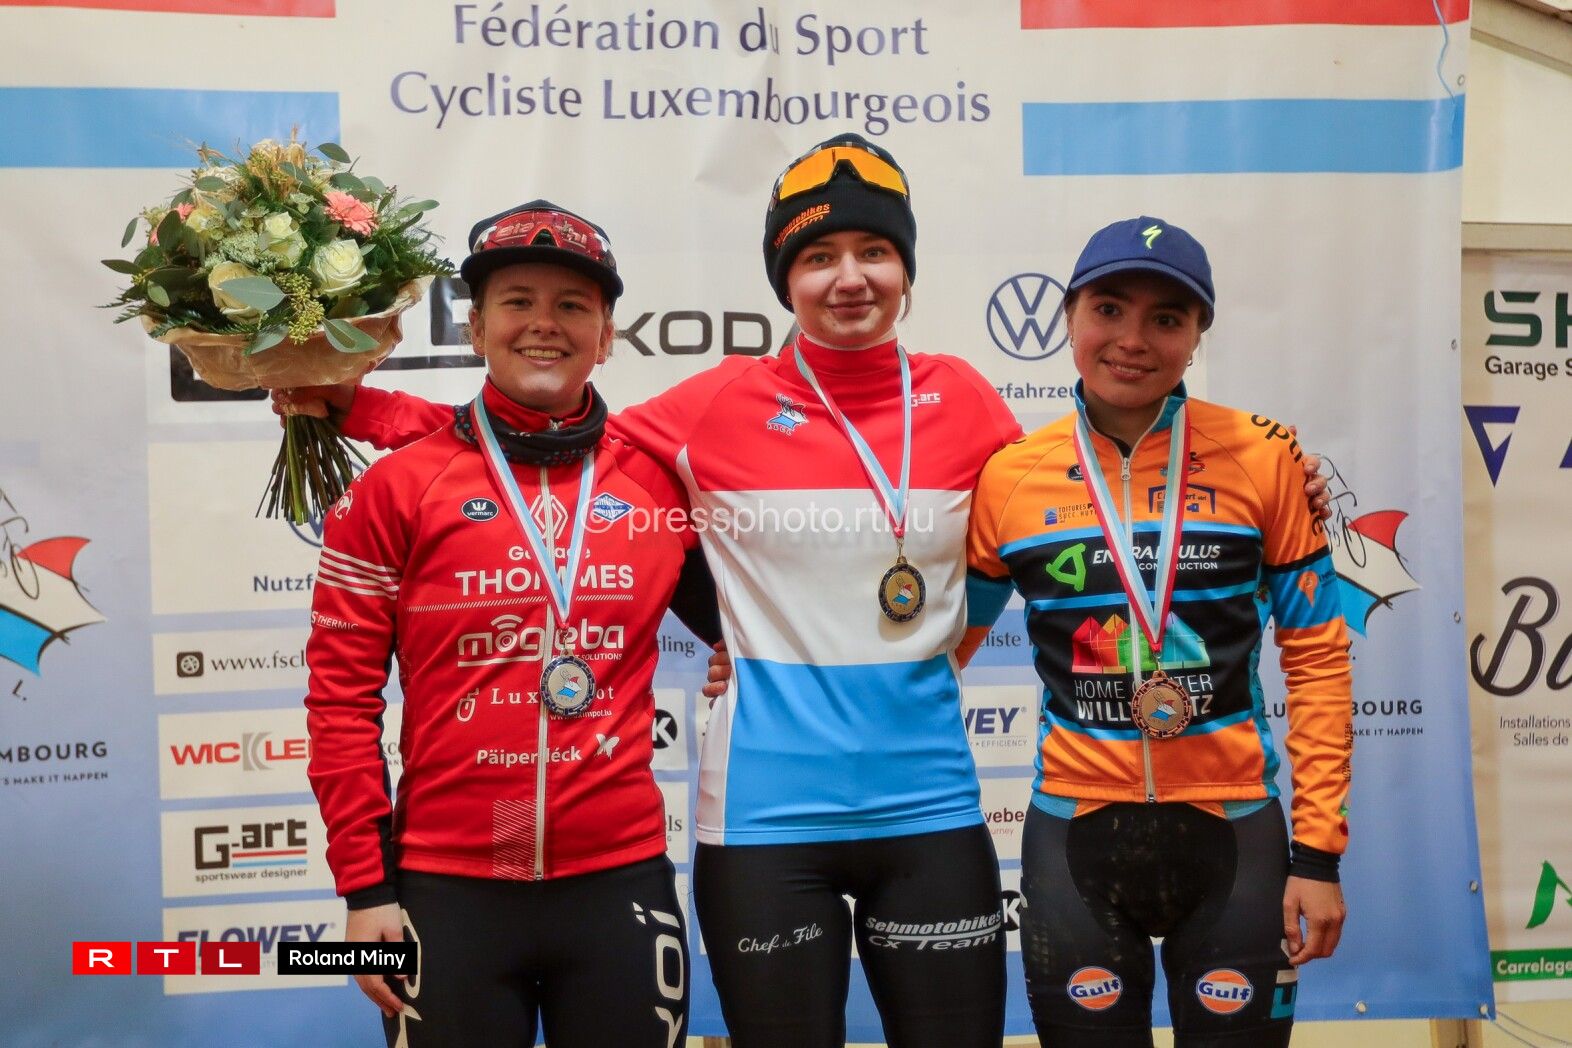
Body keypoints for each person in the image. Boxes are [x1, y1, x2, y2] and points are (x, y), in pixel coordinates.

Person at [284, 143, 1335, 1048]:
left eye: (874, 250)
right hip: (760, 819)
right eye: (819, 255)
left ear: (907, 269)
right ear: (785, 277)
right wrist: (355, 406)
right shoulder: (712, 406)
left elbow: (1079, 490)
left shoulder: (970, 402)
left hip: (928, 809)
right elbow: (538, 429)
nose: (849, 277)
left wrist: (1284, 471)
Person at [301, 200, 719, 1048]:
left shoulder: (656, 483)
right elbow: (339, 704)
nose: (543, 324)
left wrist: (738, 653)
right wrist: (364, 893)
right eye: (517, 301)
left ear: (607, 335)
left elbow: (758, 612)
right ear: (475, 326)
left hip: (620, 883)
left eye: (572, 305)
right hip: (440, 889)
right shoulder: (395, 489)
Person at [960, 216, 1353, 1048]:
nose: (1133, 340)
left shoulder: (1265, 457)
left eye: (1166, 318)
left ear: (1197, 334)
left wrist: (1318, 856)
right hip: (1074, 837)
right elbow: (936, 649)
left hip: (1235, 836)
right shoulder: (1010, 477)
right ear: (1069, 316)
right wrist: (745, 655)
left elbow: (1318, 660)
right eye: (1108, 309)